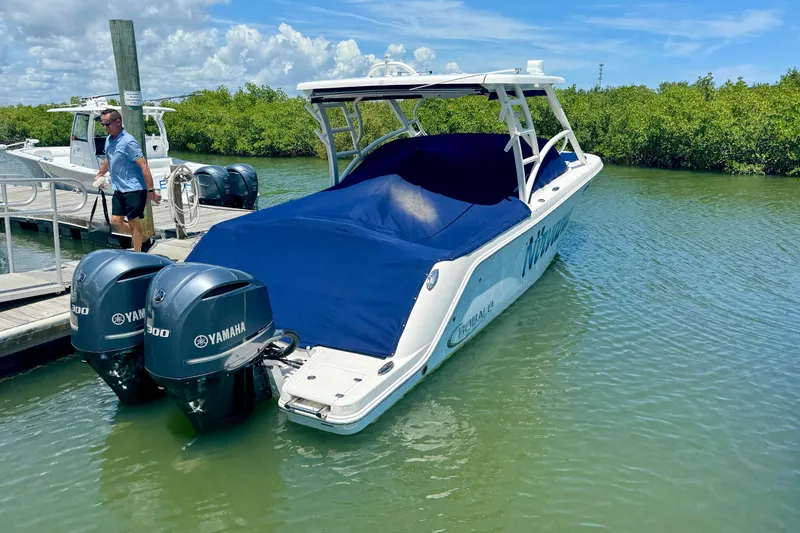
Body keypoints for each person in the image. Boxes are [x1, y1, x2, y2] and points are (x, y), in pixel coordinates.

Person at [93, 109, 161, 252]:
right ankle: (145, 241)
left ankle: (138, 254)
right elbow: (108, 159)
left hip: (135, 189)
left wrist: (151, 191)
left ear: (118, 122)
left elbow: (144, 166)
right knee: (116, 221)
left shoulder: (128, 142)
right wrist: (100, 173)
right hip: (119, 189)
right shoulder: (109, 139)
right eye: (103, 124)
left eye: (107, 124)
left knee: (134, 223)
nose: (105, 128)